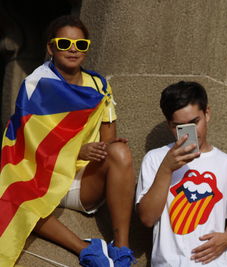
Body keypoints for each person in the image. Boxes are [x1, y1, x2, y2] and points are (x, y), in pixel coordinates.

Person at [0, 15, 136, 267]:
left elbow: (108, 141)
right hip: (40, 175)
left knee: (121, 151)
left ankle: (123, 248)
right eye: (64, 44)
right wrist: (80, 150)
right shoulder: (35, 84)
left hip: (79, 181)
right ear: (50, 48)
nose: (73, 49)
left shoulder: (99, 85)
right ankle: (85, 249)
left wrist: (106, 148)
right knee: (15, 192)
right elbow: (28, 148)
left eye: (80, 45)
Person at [135, 81, 227, 266]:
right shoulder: (155, 159)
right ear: (169, 125)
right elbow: (147, 218)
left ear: (207, 114)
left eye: (194, 122)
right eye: (179, 126)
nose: (190, 133)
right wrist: (166, 169)